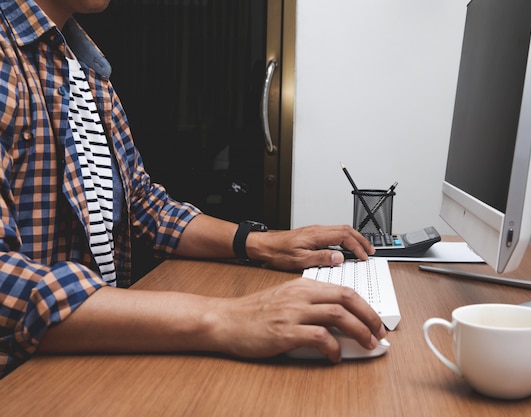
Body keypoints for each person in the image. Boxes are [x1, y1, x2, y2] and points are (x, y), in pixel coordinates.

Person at [0, 0, 385, 378]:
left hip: (88, 361)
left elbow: (144, 204)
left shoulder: (85, 68)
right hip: (23, 378)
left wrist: (263, 243)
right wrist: (226, 317)